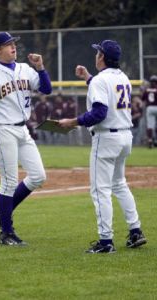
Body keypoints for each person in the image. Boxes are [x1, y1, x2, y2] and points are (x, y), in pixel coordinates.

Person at [58, 39, 147, 253]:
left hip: (106, 138)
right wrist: (88, 77)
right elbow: (106, 92)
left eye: (98, 52)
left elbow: (99, 113)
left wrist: (73, 122)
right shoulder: (123, 77)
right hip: (125, 137)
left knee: (100, 190)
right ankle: (135, 231)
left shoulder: (101, 80)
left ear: (102, 57)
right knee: (119, 184)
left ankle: (106, 242)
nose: (96, 55)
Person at [0, 31, 52, 246]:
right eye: (8, 44)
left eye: (14, 44)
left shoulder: (25, 69)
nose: (13, 47)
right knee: (8, 182)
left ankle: (1, 215)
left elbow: (47, 89)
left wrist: (41, 68)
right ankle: (6, 233)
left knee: (38, 176)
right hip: (2, 129)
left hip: (22, 129)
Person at [142, 75, 157, 148]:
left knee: (150, 126)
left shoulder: (147, 90)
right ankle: (156, 140)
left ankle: (150, 140)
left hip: (150, 107)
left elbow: (143, 99)